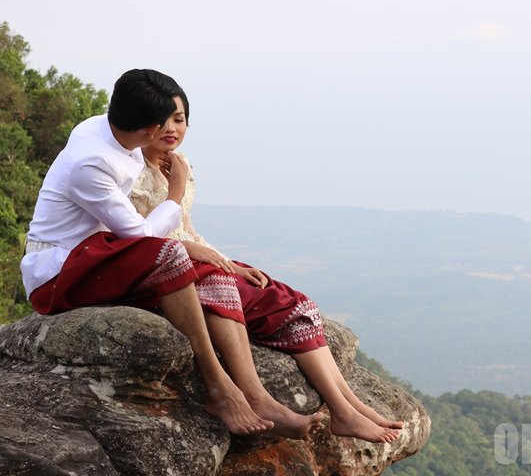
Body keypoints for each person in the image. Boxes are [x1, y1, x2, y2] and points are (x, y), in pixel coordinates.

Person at [20, 69, 323, 439]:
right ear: (148, 131)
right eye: (162, 123)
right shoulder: (92, 161)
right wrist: (175, 193)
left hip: (99, 251)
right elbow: (140, 236)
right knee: (170, 255)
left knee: (212, 274)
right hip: (60, 269)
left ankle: (257, 395)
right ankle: (219, 388)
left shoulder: (103, 127)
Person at [129, 90, 404, 443]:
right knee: (221, 286)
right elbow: (138, 238)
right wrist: (187, 218)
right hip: (167, 267)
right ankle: (260, 398)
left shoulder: (180, 164)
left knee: (294, 303)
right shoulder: (131, 172)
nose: (171, 128)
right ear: (144, 124)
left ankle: (346, 407)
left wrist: (229, 263)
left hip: (199, 257)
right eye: (162, 120)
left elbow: (188, 225)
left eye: (179, 119)